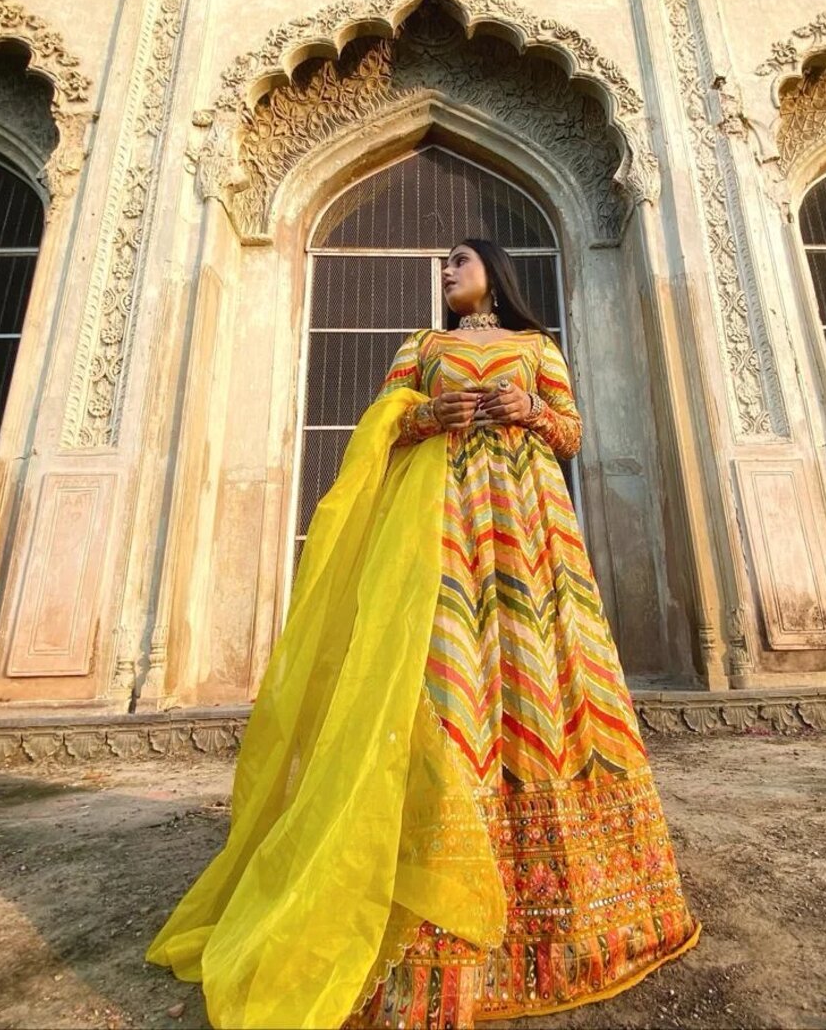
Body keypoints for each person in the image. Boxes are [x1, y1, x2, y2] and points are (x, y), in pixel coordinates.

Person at [147, 238, 699, 1030]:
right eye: (444, 265)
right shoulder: (422, 347)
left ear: (495, 274)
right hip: (440, 528)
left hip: (527, 526)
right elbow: (382, 423)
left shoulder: (538, 348)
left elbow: (572, 433)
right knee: (440, 680)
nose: (446, 273)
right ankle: (428, 895)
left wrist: (533, 411)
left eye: (461, 261)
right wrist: (422, 414)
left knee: (545, 672)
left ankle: (575, 914)